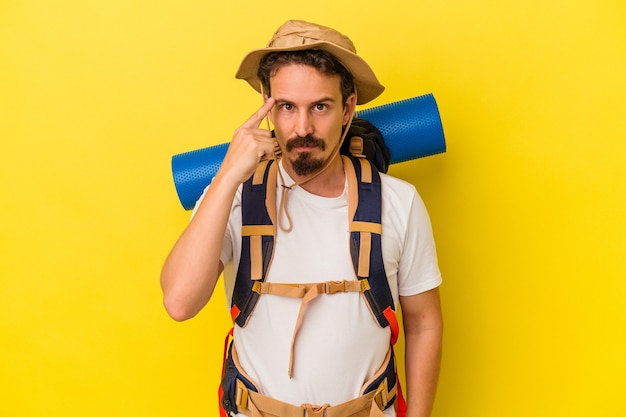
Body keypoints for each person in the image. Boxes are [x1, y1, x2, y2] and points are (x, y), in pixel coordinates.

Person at [161, 20, 443, 417]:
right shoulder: (233, 195)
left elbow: (424, 323)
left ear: (347, 108)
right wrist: (225, 177)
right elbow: (179, 303)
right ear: (266, 102)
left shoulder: (399, 203)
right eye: (287, 107)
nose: (302, 128)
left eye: (320, 107)